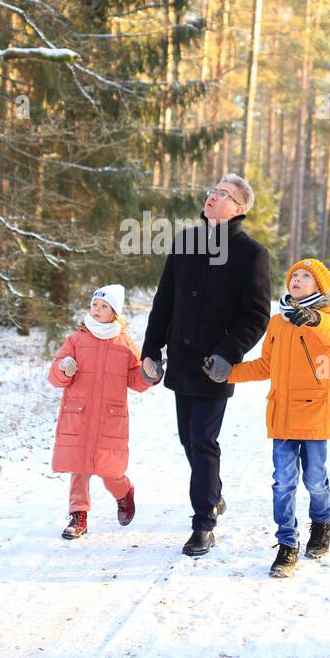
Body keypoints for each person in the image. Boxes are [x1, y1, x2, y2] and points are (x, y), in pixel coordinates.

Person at [140, 175, 272, 557]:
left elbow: (257, 315)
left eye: (223, 195)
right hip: (181, 359)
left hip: (214, 364)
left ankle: (203, 524)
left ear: (240, 209)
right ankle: (212, 494)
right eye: (212, 192)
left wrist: (228, 353)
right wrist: (151, 348)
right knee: (188, 439)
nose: (213, 198)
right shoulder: (185, 242)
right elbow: (164, 301)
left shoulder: (251, 254)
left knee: (202, 439)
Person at [220, 257, 330, 578]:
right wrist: (228, 373)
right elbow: (264, 365)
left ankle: (322, 523)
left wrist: (313, 318)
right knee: (283, 483)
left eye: (305, 276)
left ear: (320, 286)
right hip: (282, 414)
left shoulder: (327, 319)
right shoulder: (277, 323)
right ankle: (287, 543)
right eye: (294, 275)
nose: (296, 279)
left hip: (314, 412)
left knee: (314, 479)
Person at [48, 284, 154, 539]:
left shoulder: (124, 344)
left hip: (110, 418)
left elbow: (136, 380)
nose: (97, 309)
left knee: (110, 473)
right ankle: (78, 516)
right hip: (79, 416)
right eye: (95, 304)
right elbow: (54, 376)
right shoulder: (76, 339)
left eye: (104, 306)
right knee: (79, 468)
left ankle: (124, 492)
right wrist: (64, 368)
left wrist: (148, 375)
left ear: (115, 313)